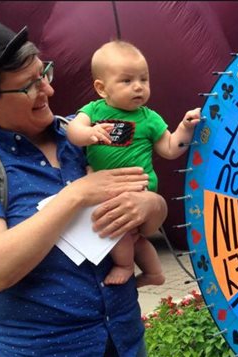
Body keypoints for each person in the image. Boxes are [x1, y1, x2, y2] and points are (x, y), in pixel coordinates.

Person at [0, 14, 167, 356]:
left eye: (45, 73)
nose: (49, 90)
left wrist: (150, 206)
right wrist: (76, 195)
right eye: (30, 85)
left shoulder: (88, 135)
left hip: (123, 341)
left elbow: (150, 210)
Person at [67, 40, 200, 286]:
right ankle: (155, 273)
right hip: (106, 187)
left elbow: (171, 149)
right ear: (101, 88)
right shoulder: (93, 111)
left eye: (144, 79)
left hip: (139, 186)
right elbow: (73, 130)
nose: (138, 87)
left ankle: (124, 265)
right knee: (134, 236)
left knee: (117, 230)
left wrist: (184, 128)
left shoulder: (149, 118)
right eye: (127, 81)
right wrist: (88, 134)